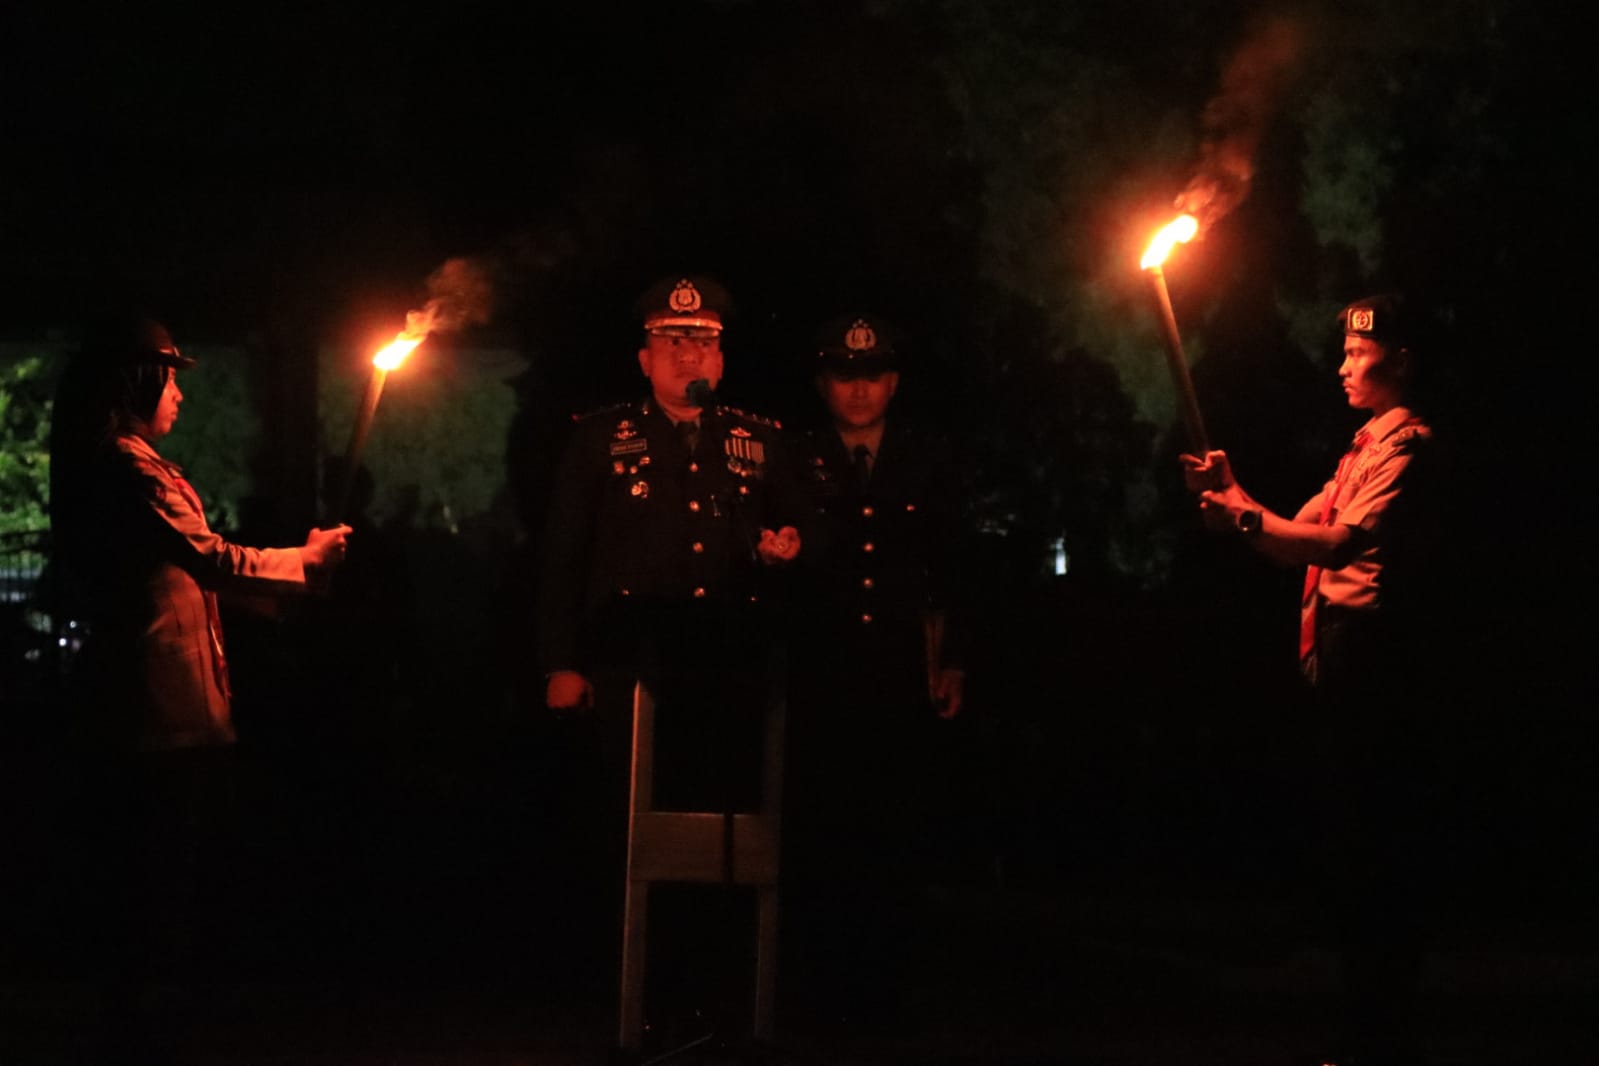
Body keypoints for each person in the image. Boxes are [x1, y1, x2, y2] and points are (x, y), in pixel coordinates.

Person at [48, 312, 351, 1060]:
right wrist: (303, 563)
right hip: (156, 701)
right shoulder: (127, 468)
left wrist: (290, 586)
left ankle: (147, 1012)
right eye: (170, 375)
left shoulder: (123, 464)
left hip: (168, 698)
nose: (179, 391)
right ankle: (144, 1022)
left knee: (160, 863)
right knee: (155, 867)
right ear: (137, 382)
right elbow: (207, 557)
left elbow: (188, 576)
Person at [534, 274, 803, 1028]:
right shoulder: (602, 437)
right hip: (626, 667)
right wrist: (560, 661)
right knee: (619, 836)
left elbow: (810, 530)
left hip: (723, 671)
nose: (691, 356)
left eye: (705, 342)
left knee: (715, 831)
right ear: (644, 357)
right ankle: (618, 995)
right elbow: (563, 556)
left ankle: (707, 993)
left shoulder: (759, 440)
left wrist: (790, 546)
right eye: (674, 342)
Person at [1180, 293, 1441, 1066]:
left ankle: (1380, 1035)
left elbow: (1333, 544)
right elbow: (1289, 535)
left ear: (1398, 359)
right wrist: (1235, 503)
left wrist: (1247, 520)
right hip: (1340, 654)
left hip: (1374, 658)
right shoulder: (1361, 448)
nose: (1342, 365)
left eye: (1358, 353)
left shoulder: (1408, 448)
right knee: (1350, 848)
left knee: (1374, 850)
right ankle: (1363, 1030)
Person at [780, 312, 971, 1030]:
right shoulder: (793, 457)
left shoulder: (928, 458)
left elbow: (953, 567)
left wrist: (952, 660)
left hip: (899, 668)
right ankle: (820, 992)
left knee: (894, 832)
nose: (857, 392)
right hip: (820, 669)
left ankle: (886, 993)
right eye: (842, 377)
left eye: (870, 377)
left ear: (890, 383)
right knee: (822, 832)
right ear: (823, 384)